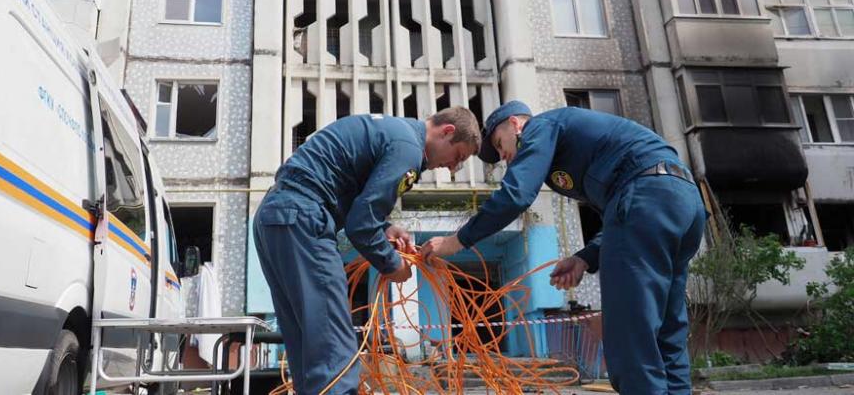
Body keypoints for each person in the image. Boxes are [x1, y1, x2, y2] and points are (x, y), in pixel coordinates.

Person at [422, 101, 707, 395]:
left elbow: (517, 195)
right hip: (682, 201)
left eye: (499, 143)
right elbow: (620, 212)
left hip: (647, 197)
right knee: (667, 334)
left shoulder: (541, 127)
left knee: (631, 333)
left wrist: (456, 240)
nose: (505, 157)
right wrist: (584, 258)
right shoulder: (572, 148)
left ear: (515, 124)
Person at [253, 107, 481, 395]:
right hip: (304, 218)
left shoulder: (391, 130)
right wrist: (393, 265)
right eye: (458, 156)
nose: (452, 167)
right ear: (447, 131)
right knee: (333, 344)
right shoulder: (409, 149)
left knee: (308, 342)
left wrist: (385, 228)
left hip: (276, 217)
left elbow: (352, 198)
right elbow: (361, 225)